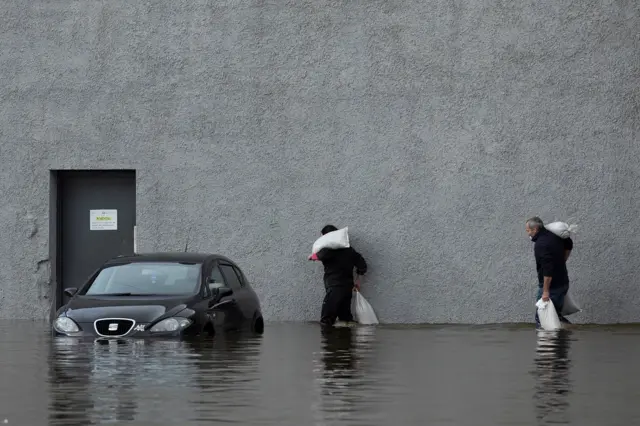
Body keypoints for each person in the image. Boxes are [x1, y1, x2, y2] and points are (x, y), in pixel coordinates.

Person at [311, 224, 368, 326]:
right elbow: (362, 266)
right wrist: (358, 281)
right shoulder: (350, 250)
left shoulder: (328, 250)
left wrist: (312, 256)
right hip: (347, 289)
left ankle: (329, 341)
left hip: (334, 288)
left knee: (326, 321)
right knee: (345, 319)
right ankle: (346, 341)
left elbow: (316, 256)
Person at [525, 217, 573, 327]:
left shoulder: (541, 244)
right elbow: (569, 243)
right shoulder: (555, 236)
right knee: (556, 316)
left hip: (552, 287)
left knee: (542, 320)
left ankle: (551, 342)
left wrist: (545, 292)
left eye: (528, 230)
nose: (528, 234)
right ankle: (563, 339)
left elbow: (547, 270)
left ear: (535, 229)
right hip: (563, 282)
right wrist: (563, 260)